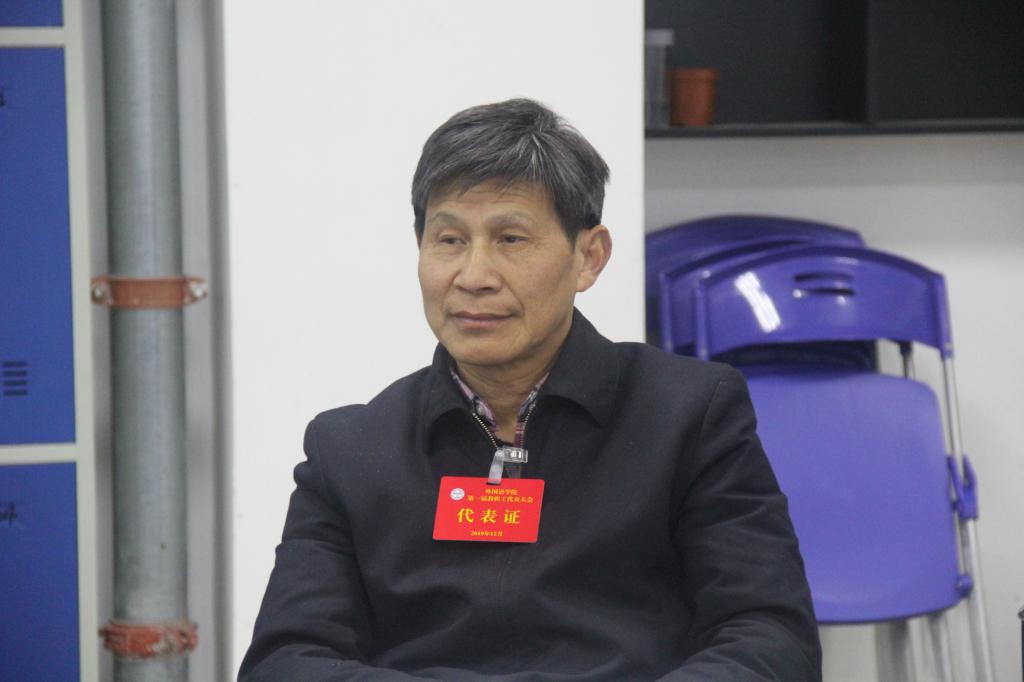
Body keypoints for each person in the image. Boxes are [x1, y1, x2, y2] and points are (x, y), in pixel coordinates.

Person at [239, 98, 821, 681]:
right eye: (449, 240)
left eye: (511, 239)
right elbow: (284, 661)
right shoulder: (350, 449)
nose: (474, 276)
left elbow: (770, 637)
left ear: (589, 257)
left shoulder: (689, 415)